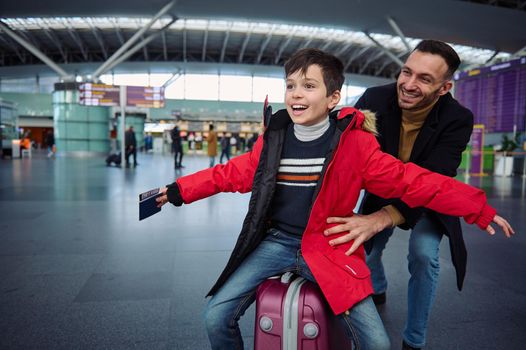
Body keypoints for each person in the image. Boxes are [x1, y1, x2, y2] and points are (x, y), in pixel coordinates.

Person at [154, 48, 513, 350]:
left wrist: (477, 208)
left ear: (333, 98)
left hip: (329, 245)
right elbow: (229, 173)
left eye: (309, 86)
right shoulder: (273, 140)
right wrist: (177, 191)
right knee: (216, 316)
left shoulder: (355, 145)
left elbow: (414, 180)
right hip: (276, 242)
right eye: (291, 85)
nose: (296, 94)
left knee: (377, 343)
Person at [323, 40, 481, 349]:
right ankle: (378, 285)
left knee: (424, 256)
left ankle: (414, 341)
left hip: (430, 198)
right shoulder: (375, 99)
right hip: (383, 191)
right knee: (366, 249)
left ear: (444, 87)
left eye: (424, 79)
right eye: (406, 72)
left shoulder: (457, 119)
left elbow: (435, 179)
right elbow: (347, 150)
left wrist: (381, 219)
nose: (408, 85)